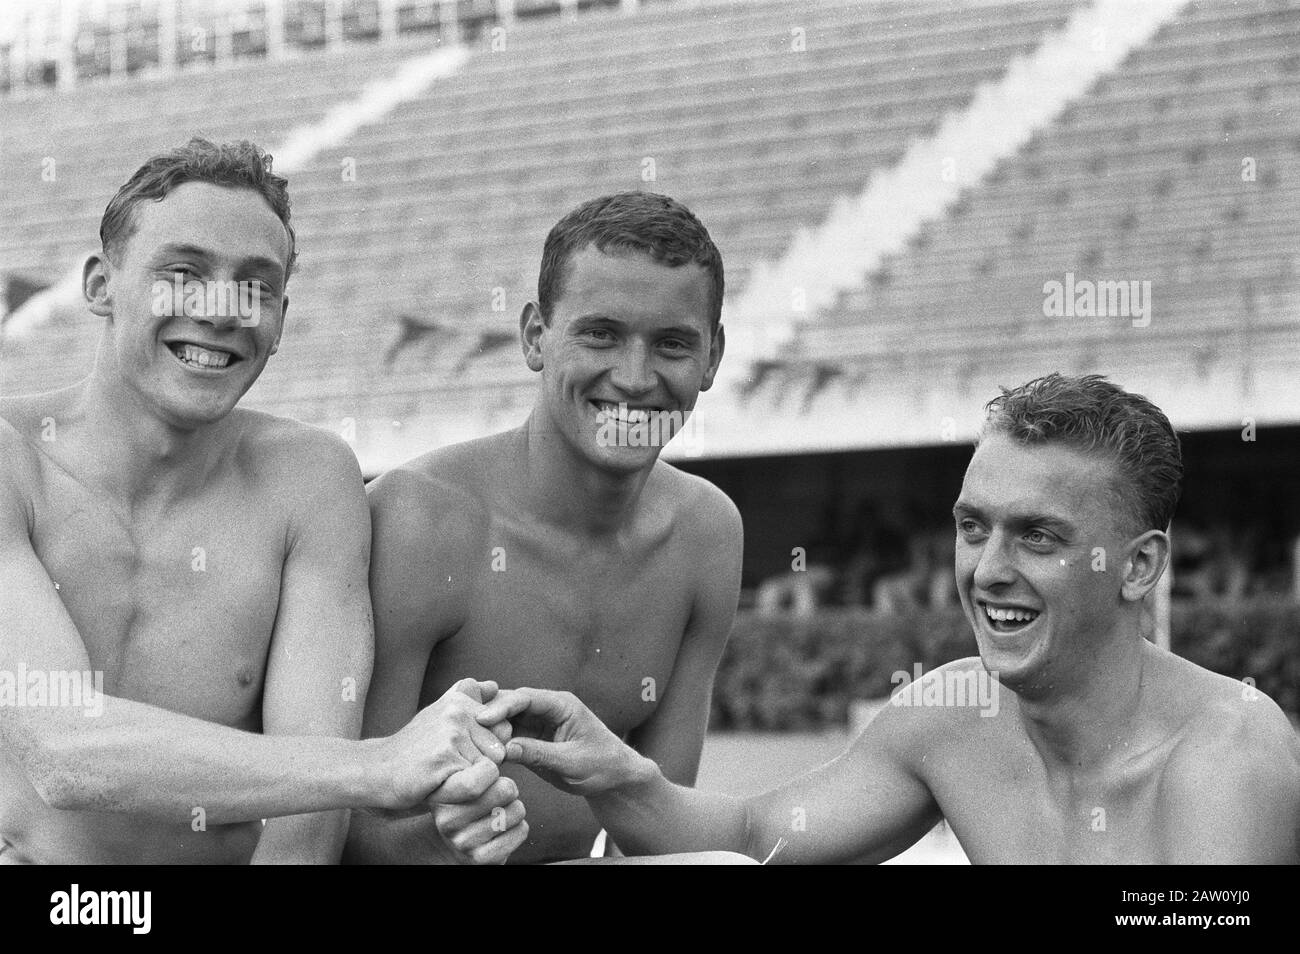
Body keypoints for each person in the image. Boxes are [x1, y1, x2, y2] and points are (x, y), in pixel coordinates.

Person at [482, 374, 1300, 864]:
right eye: (973, 527)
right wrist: (618, 775)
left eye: (1039, 537)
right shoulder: (955, 717)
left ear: (1141, 567)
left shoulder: (1232, 750)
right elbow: (756, 832)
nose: (989, 570)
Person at [0, 139, 523, 864]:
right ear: (99, 287)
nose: (222, 310)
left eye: (256, 286)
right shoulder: (10, 458)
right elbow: (62, 747)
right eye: (182, 274)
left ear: (280, 318)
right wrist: (384, 767)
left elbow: (305, 830)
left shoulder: (310, 481)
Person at [346, 192, 743, 864]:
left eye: (672, 343)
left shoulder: (707, 534)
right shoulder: (420, 520)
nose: (635, 376)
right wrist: (451, 835)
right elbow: (343, 818)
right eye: (601, 334)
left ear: (711, 358)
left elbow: (658, 819)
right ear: (535, 336)